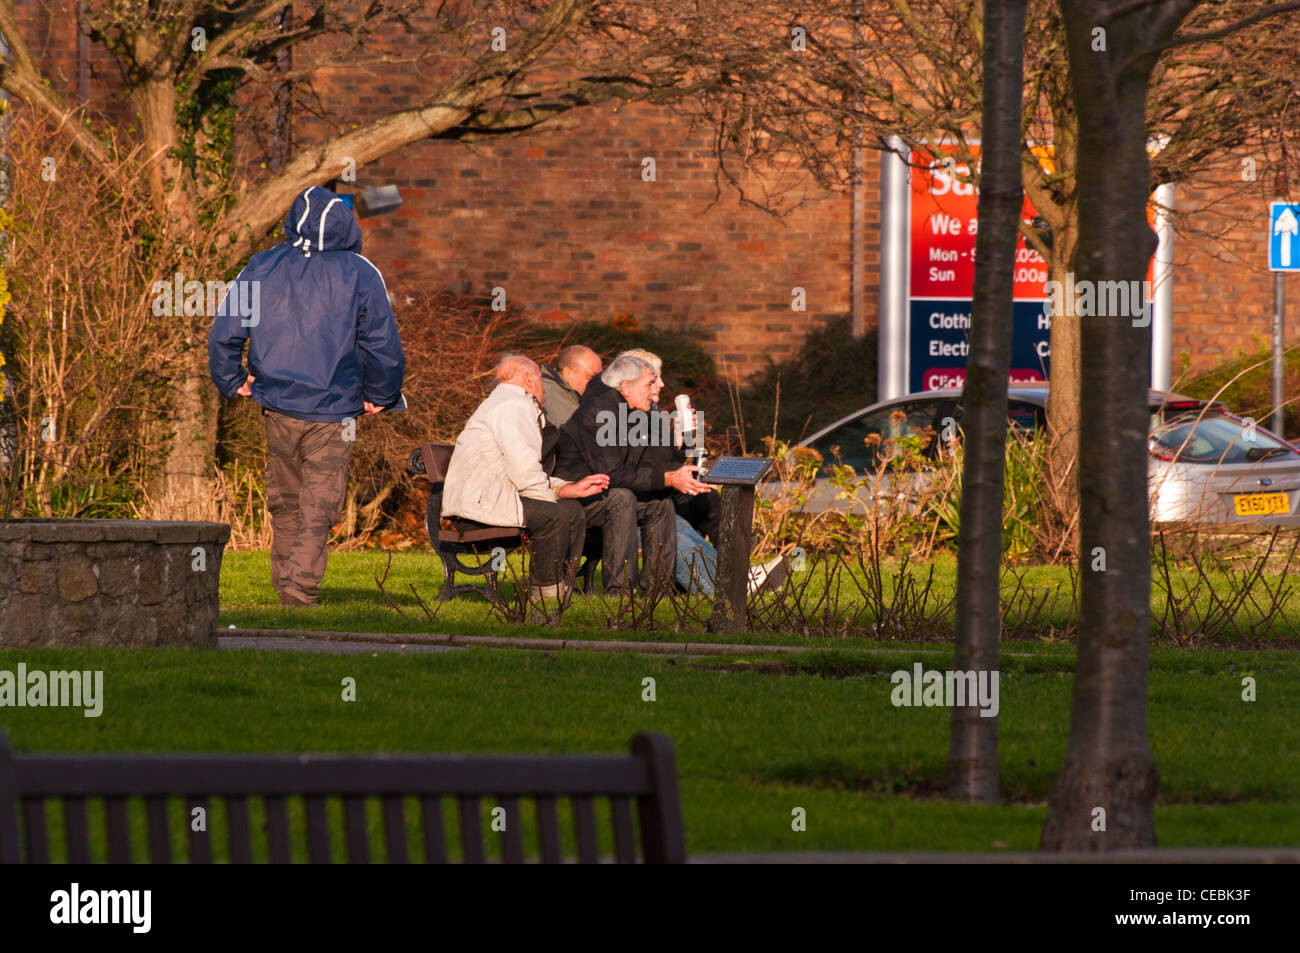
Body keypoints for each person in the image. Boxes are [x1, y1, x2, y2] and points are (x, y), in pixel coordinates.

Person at [208, 185, 405, 607]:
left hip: (277, 402)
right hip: (335, 410)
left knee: (286, 499)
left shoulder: (262, 265)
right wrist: (381, 395)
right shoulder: (360, 272)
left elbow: (225, 330)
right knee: (321, 501)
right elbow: (383, 344)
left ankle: (288, 584)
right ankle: (298, 588)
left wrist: (232, 379)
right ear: (346, 223)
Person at [616, 348, 787, 598]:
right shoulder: (616, 416)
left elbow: (659, 462)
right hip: (628, 503)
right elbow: (630, 471)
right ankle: (728, 591)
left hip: (653, 496)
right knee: (673, 527)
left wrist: (678, 442)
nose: (662, 385)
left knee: (697, 507)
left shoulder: (648, 412)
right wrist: (673, 475)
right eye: (654, 379)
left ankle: (737, 575)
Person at [441, 355, 609, 602]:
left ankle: (564, 584)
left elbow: (518, 471)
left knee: (571, 510)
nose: (544, 389)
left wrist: (566, 489)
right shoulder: (513, 406)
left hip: (490, 500)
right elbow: (524, 470)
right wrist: (550, 504)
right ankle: (546, 596)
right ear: (528, 380)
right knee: (556, 515)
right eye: (541, 381)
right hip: (477, 509)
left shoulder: (509, 404)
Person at [553, 355, 687, 593]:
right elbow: (612, 474)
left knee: (661, 504)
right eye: (649, 384)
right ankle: (620, 591)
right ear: (626, 387)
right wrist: (668, 478)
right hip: (574, 498)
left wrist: (679, 452)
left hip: (603, 493)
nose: (655, 389)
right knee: (622, 498)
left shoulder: (634, 414)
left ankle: (660, 590)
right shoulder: (598, 414)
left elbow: (649, 466)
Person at [541, 345, 603, 428]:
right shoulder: (548, 396)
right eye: (591, 376)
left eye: (600, 377)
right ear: (568, 373)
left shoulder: (573, 396)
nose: (598, 382)